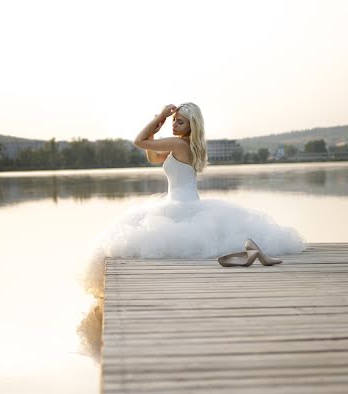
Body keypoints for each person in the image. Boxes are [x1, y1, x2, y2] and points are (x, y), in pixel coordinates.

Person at [82, 103, 305, 296]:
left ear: (191, 126)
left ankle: (249, 251)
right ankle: (250, 251)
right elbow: (152, 156)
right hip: (186, 202)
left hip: (181, 205)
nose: (174, 124)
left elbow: (138, 141)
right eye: (174, 120)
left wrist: (158, 117)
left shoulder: (179, 144)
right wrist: (156, 129)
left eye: (180, 122)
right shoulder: (183, 144)